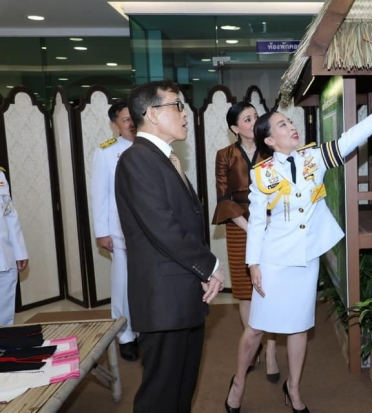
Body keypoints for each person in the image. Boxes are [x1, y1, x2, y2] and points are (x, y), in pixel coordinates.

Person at [224, 75, 372, 413]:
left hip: (306, 259)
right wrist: (252, 264)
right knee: (255, 330)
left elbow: (350, 139)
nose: (292, 126)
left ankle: (293, 389)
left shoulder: (314, 159)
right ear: (270, 138)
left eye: (290, 121)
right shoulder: (261, 173)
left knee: (299, 327)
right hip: (273, 261)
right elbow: (256, 223)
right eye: (283, 124)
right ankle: (238, 382)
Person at [115, 79, 225, 413]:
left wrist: (200, 272)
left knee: (181, 392)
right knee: (160, 396)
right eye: (177, 105)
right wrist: (210, 266)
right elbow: (163, 227)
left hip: (183, 295)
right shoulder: (137, 160)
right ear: (152, 114)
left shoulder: (164, 158)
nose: (184, 114)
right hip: (163, 303)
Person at [212, 101, 279, 382]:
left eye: (255, 117)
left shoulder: (271, 150)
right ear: (234, 128)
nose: (254, 122)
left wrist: (267, 224)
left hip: (274, 224)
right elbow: (224, 198)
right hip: (240, 226)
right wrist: (251, 227)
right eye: (247, 119)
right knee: (245, 289)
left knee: (271, 287)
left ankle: (272, 352)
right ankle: (253, 345)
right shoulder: (224, 155)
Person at [90, 100, 138, 361]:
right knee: (123, 284)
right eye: (125, 119)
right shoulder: (106, 152)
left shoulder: (151, 147)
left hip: (149, 232)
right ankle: (125, 334)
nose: (131, 123)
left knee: (146, 282)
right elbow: (99, 195)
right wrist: (102, 231)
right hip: (119, 231)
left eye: (134, 117)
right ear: (114, 125)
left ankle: (143, 328)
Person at [0, 168, 28, 326]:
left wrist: (19, 251)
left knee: (5, 318)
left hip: (5, 257)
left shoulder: (0, 175)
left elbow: (9, 214)